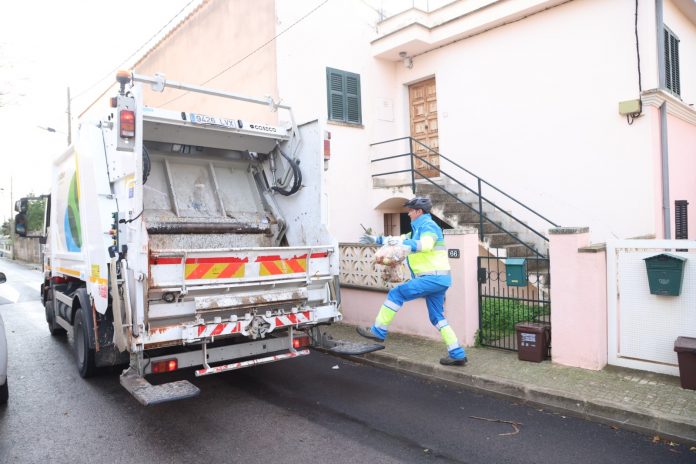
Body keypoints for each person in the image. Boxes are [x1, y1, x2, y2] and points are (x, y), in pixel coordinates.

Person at [357, 197, 468, 366]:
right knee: (437, 317)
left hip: (433, 277)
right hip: (438, 279)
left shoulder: (428, 226)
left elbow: (425, 245)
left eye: (410, 210)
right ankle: (457, 353)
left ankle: (378, 331)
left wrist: (403, 243)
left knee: (396, 293)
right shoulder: (416, 230)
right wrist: (375, 239)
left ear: (419, 211)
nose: (408, 213)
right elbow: (399, 239)